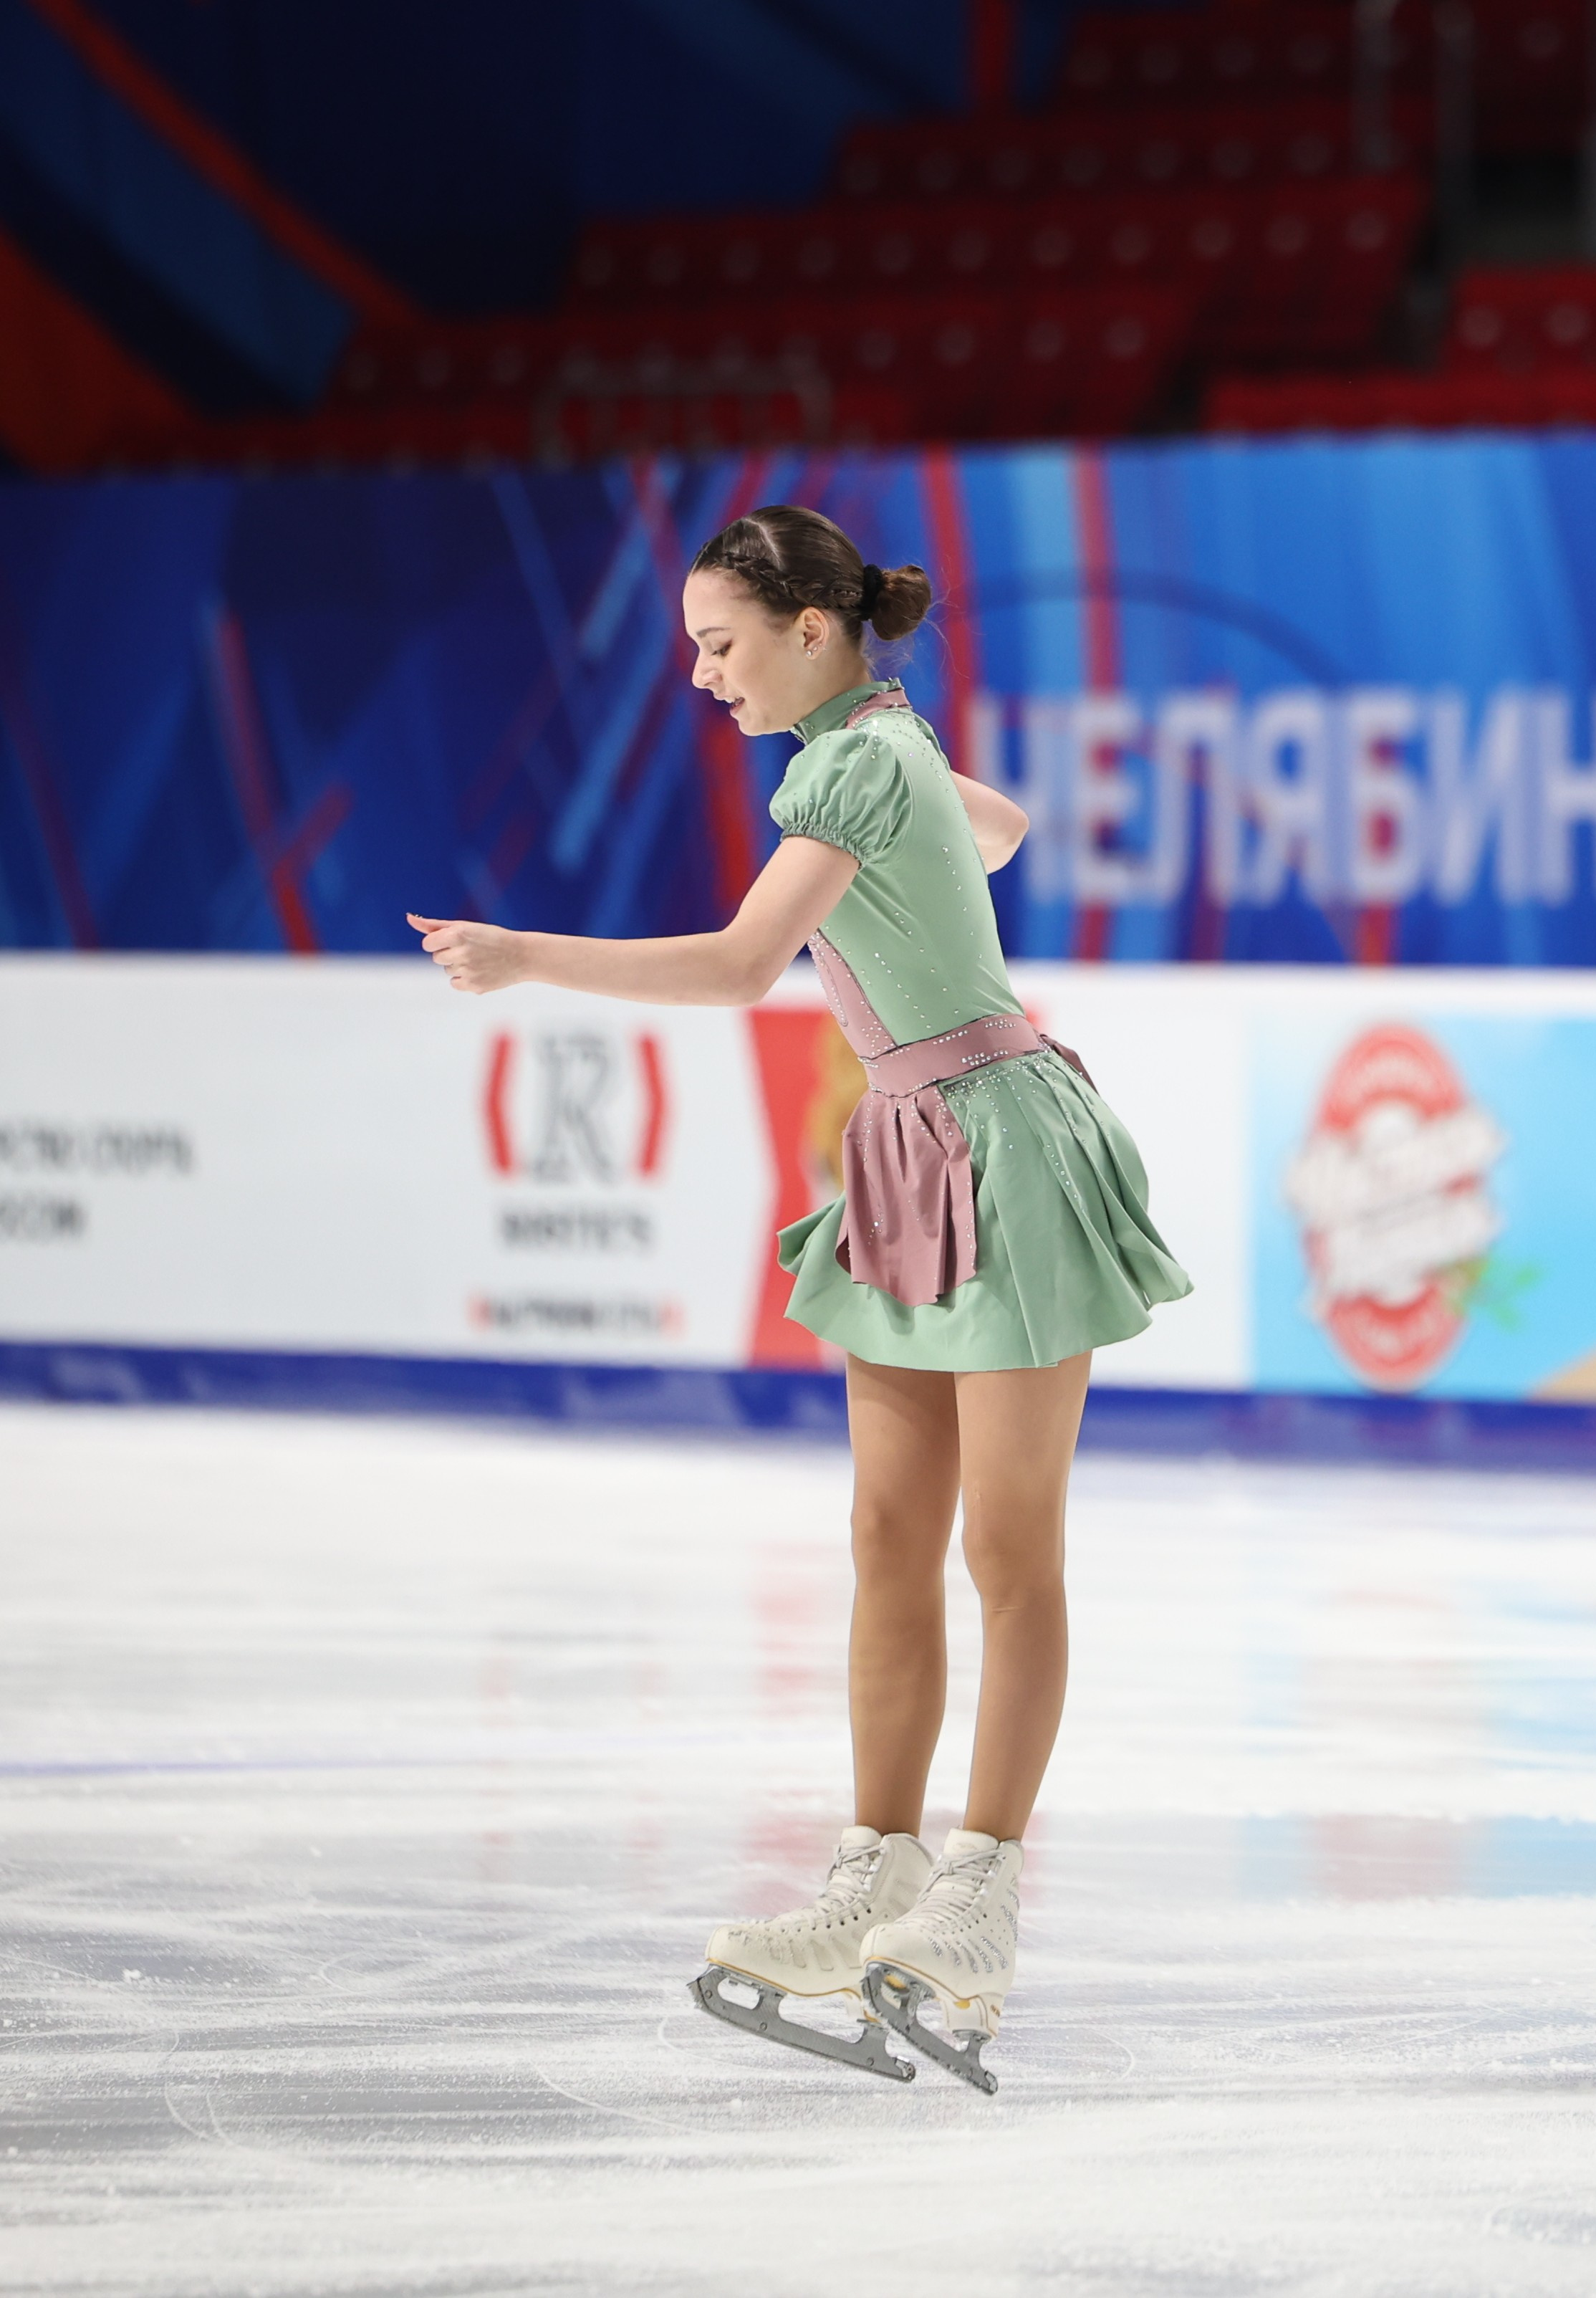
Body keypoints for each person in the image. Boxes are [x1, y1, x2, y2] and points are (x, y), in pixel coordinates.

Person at [410, 504, 1190, 2089]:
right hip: (907, 1146)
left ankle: (979, 1892)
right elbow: (1003, 830)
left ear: (812, 630)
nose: (704, 675)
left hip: (1004, 1147)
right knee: (886, 1534)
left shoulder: (850, 764)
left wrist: (524, 956)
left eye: (722, 644)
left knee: (1006, 1547)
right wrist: (928, 795)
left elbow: (736, 966)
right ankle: (878, 1873)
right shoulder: (876, 743)